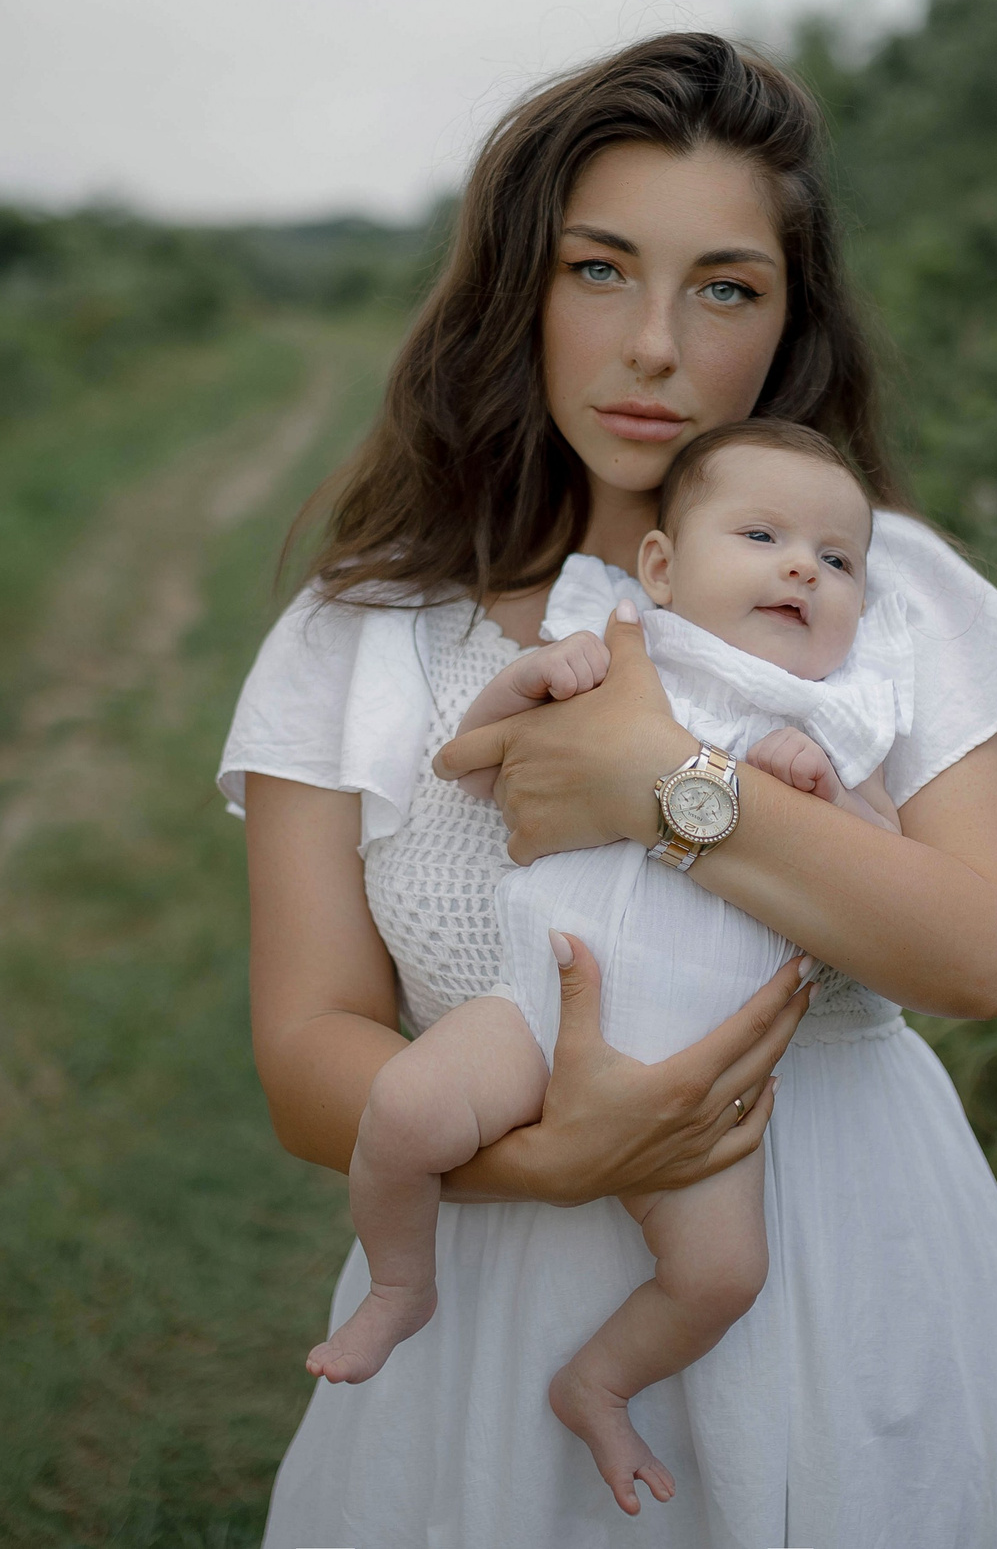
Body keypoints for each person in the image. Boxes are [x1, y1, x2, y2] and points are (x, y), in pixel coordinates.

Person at [220, 32, 997, 1548]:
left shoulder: (887, 595)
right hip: (484, 1306)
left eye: (726, 287)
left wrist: (654, 780)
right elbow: (306, 1057)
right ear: (516, 291)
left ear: (787, 323)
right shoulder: (354, 636)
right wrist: (559, 1156)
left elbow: (974, 951)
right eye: (600, 270)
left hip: (848, 1288)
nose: (656, 347)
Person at [307, 423, 910, 1518]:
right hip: (536, 1009)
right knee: (402, 1108)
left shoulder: (839, 712)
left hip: (703, 1071)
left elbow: (890, 869)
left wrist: (823, 791)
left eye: (836, 561)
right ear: (664, 570)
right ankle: (401, 1282)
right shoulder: (617, 648)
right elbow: (467, 769)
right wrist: (531, 684)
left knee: (723, 1276)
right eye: (764, 536)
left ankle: (600, 1379)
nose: (799, 569)